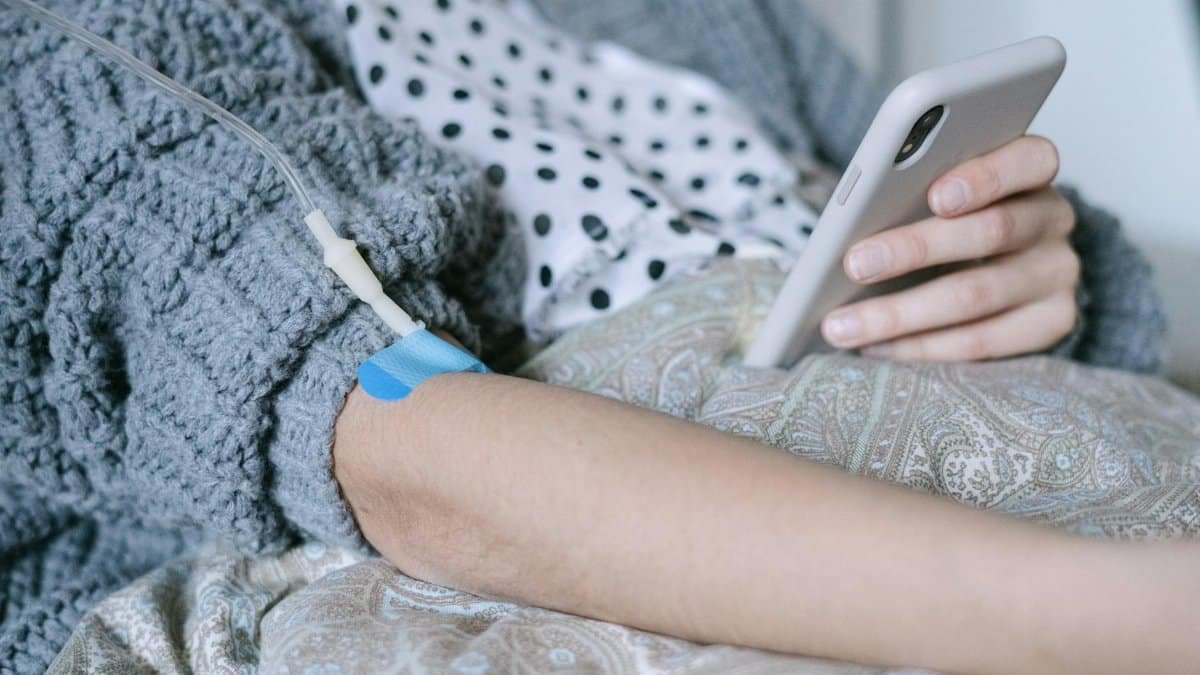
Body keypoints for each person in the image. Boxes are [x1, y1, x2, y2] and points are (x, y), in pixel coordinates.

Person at [0, 0, 1188, 673]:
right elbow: (410, 456)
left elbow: (902, 203)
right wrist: (1119, 616)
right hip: (540, 519)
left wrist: (1024, 265)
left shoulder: (713, 19)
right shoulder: (79, 59)